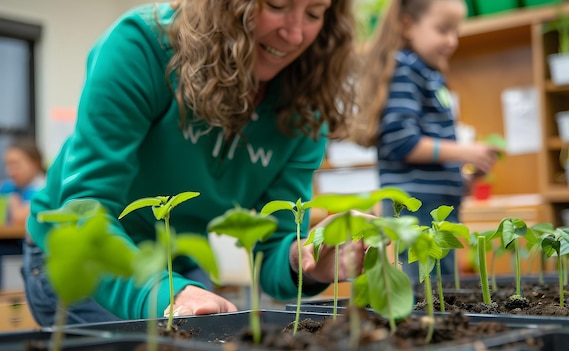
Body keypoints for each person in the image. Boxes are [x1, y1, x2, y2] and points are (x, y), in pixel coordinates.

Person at [22, 0, 363, 327]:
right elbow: (84, 210)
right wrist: (167, 293)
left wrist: (304, 259)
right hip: (80, 253)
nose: (295, 34)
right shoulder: (142, 47)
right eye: (275, 6)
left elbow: (273, 243)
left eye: (315, 13)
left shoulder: (305, 104)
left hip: (174, 261)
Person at [351, 0, 499, 288]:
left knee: (442, 289)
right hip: (417, 209)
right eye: (443, 30)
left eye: (456, 31)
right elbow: (402, 142)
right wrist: (466, 151)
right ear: (407, 25)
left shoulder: (428, 73)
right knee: (430, 292)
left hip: (436, 204)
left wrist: (462, 178)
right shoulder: (405, 69)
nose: (452, 41)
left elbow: (429, 155)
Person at [0, 137, 46, 288]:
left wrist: (12, 200)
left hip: (38, 249)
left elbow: (20, 218)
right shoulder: (14, 186)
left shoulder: (42, 187)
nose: (11, 171)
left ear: (34, 164)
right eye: (8, 165)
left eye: (16, 164)